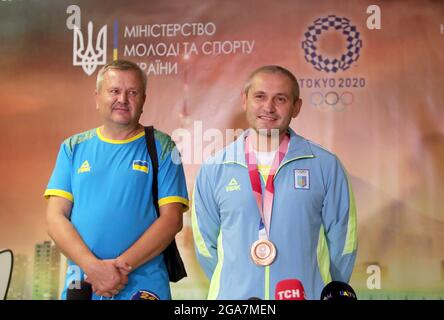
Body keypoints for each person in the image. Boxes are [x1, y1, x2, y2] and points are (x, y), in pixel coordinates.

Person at [192, 65, 357, 300]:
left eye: (280, 99)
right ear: (245, 100)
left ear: (296, 107)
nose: (268, 107)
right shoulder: (214, 168)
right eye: (260, 96)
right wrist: (236, 284)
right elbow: (205, 248)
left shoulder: (325, 165)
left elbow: (344, 243)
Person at [45, 59, 189, 300]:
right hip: (83, 285)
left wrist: (116, 270)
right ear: (97, 96)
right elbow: (54, 218)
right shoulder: (73, 147)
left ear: (143, 99)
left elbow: (172, 220)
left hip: (143, 287)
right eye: (114, 91)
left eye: (132, 92)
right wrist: (93, 267)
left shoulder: (163, 147)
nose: (122, 99)